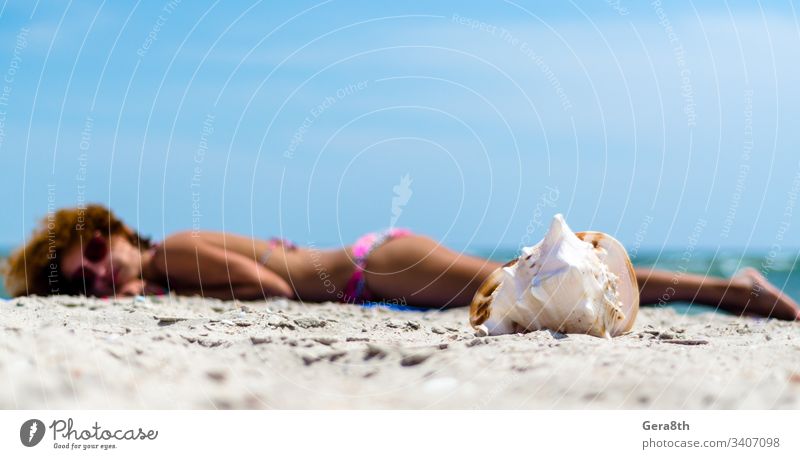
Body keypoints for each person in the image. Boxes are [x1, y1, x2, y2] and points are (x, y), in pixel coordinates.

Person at [3, 204, 798, 321]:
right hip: (372, 267)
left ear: (108, 229)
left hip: (371, 270)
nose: (100, 274)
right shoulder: (170, 259)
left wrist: (147, 282)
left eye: (96, 256)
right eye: (82, 281)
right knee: (540, 280)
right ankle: (730, 294)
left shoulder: (168, 252)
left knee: (551, 281)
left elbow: (269, 286)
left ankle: (735, 295)